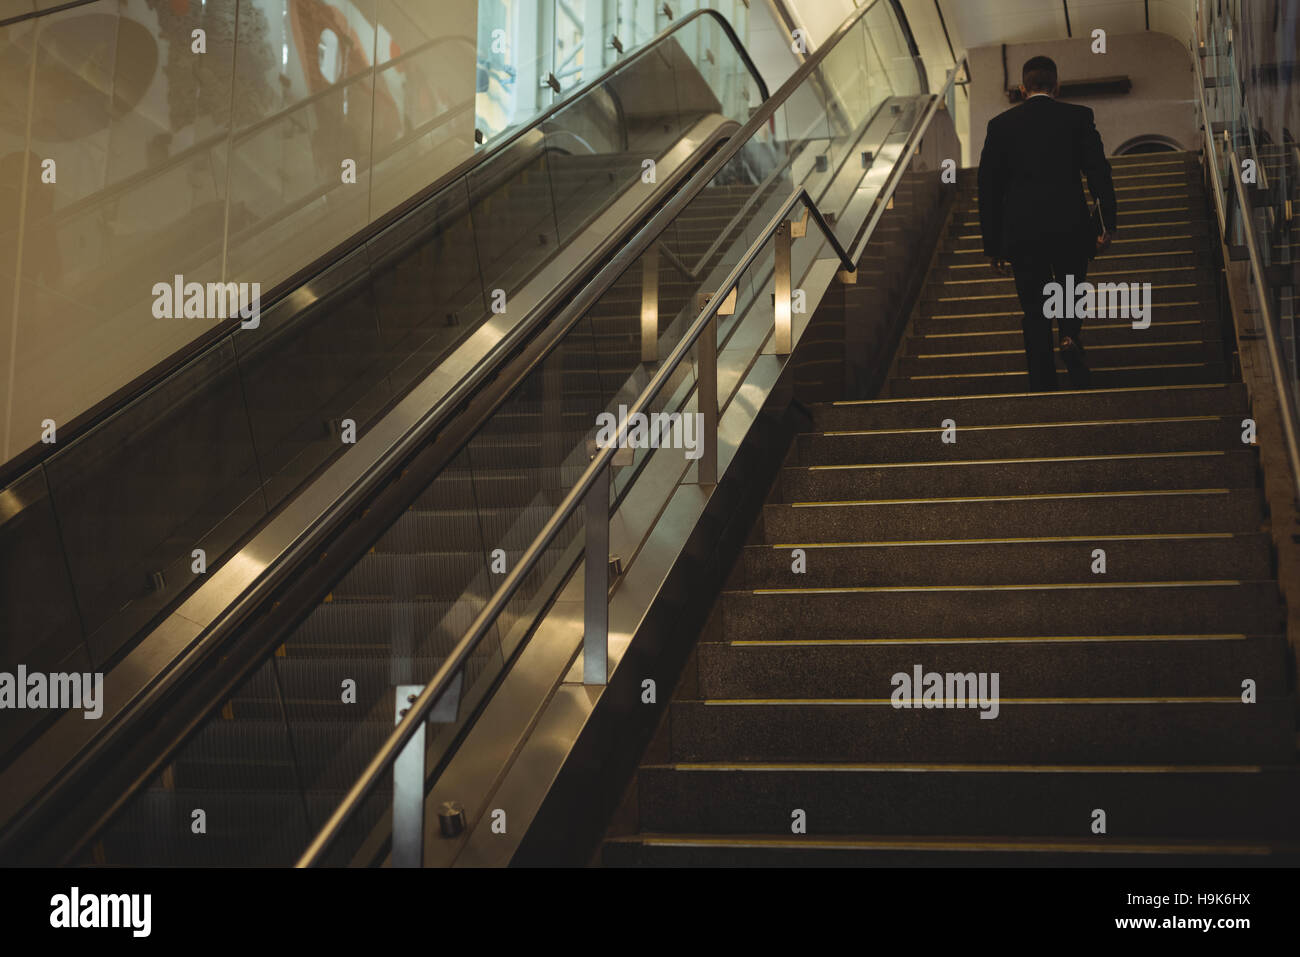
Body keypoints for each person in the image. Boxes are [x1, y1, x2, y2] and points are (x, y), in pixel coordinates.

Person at [977, 55, 1118, 391]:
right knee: (1070, 286)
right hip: (1070, 226)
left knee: (1034, 305)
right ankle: (1069, 336)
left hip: (1023, 233)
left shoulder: (1000, 126)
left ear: (1022, 88)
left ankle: (1042, 382)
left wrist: (993, 245)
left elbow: (989, 188)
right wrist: (1105, 224)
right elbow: (1099, 172)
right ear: (1057, 86)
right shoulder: (1078, 117)